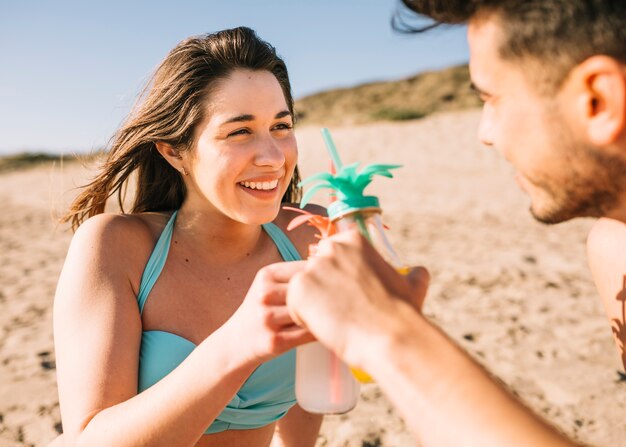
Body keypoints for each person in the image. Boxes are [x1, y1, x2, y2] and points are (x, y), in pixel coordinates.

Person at [271, 1, 626, 446]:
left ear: (598, 100)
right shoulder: (615, 248)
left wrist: (383, 330)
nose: (486, 132)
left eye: (491, 99)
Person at [51, 27, 324, 447]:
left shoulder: (310, 235)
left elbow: (314, 388)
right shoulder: (118, 246)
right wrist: (238, 344)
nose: (273, 157)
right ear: (173, 150)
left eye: (281, 126)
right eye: (239, 131)